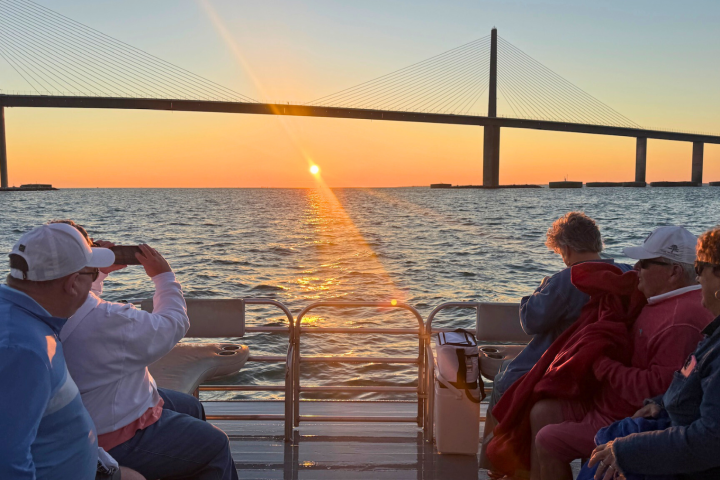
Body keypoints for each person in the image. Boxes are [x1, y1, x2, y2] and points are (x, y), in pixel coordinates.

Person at [54, 220, 238, 480]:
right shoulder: (109, 320)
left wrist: (97, 274)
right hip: (111, 433)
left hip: (91, 407)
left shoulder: (50, 304)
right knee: (216, 443)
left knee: (191, 407)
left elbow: (76, 296)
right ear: (78, 272)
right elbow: (173, 324)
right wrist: (163, 277)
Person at [532, 226, 712, 480]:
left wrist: (600, 363)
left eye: (645, 263)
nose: (636, 267)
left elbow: (655, 388)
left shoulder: (679, 320)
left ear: (674, 272)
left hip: (625, 415)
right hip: (607, 402)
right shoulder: (659, 300)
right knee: (541, 411)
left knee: (548, 440)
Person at [480, 211, 631, 468]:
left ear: (568, 248)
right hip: (603, 372)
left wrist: (540, 289)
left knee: (504, 380)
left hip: (561, 367)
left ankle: (493, 463)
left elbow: (531, 322)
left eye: (560, 251)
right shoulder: (625, 274)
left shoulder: (565, 281)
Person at [587, 226, 720, 480]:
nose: (698, 277)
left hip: (694, 465)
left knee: (602, 456)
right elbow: (692, 386)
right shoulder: (714, 335)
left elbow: (711, 440)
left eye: (702, 268)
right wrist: (659, 404)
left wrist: (629, 451)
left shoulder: (687, 325)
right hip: (674, 429)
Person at [0, 223, 115, 479]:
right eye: (94, 274)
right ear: (73, 283)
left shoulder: (26, 318)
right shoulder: (21, 350)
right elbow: (6, 465)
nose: (95, 279)